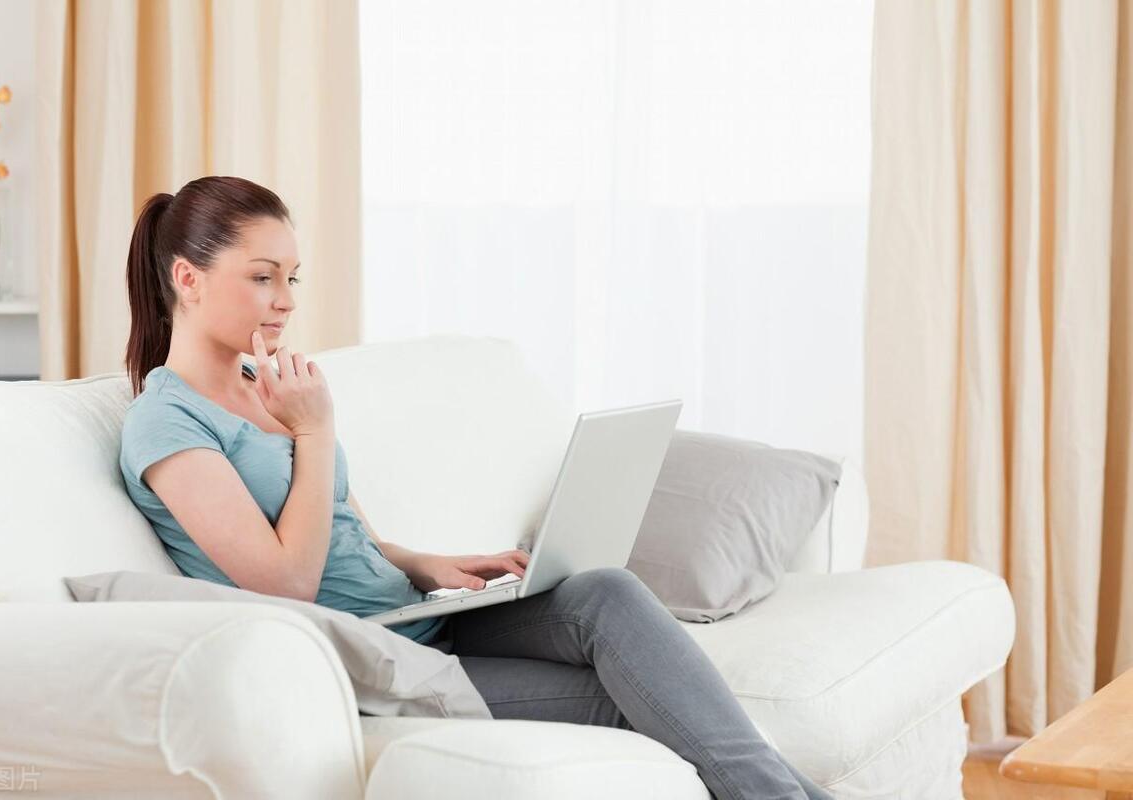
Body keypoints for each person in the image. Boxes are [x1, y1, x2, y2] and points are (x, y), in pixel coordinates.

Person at [119, 175, 832, 800]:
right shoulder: (167, 421)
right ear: (188, 279)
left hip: (414, 615)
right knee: (643, 694)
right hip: (366, 658)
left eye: (292, 279)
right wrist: (315, 430)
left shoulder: (267, 386)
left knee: (606, 593)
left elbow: (348, 529)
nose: (285, 301)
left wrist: (427, 564)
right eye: (262, 277)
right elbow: (286, 586)